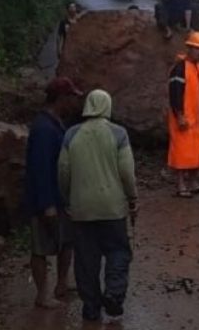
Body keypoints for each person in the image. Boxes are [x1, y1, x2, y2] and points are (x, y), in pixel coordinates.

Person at [57, 89, 138, 323]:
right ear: (107, 106)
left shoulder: (71, 135)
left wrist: (67, 199)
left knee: (86, 260)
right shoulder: (118, 134)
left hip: (81, 210)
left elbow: (63, 171)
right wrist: (132, 198)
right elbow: (127, 172)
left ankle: (91, 307)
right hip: (113, 209)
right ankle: (113, 293)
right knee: (118, 251)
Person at [24, 77, 83, 309]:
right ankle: (42, 294)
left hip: (61, 197)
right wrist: (46, 204)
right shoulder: (43, 128)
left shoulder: (56, 123)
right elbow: (40, 169)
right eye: (71, 98)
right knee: (41, 247)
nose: (74, 103)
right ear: (61, 98)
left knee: (66, 242)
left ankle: (61, 283)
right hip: (46, 199)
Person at [167, 32, 199, 198]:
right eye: (196, 49)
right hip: (184, 118)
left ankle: (194, 182)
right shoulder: (179, 68)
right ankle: (181, 184)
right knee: (181, 151)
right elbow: (175, 93)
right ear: (189, 48)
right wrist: (179, 114)